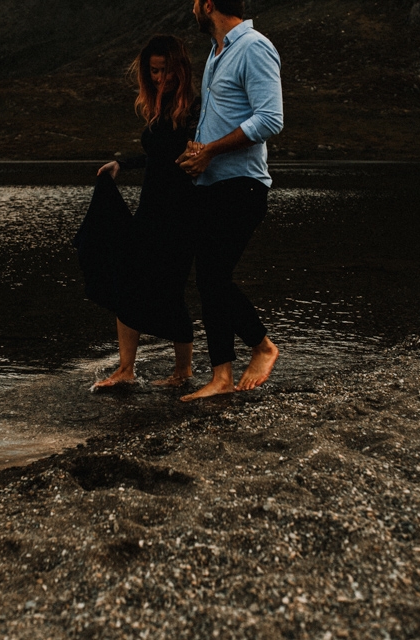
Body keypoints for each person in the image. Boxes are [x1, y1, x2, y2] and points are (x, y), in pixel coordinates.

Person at [176, 0, 283, 402]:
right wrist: (196, 151)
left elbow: (270, 118)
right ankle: (221, 376)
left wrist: (211, 151)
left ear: (207, 5)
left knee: (214, 276)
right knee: (207, 279)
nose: (192, 10)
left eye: (195, 4)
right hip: (212, 185)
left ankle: (263, 347)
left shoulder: (253, 46)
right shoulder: (217, 52)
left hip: (243, 186)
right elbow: (220, 116)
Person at [91, 35, 200, 388]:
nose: (159, 78)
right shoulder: (159, 106)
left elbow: (192, 158)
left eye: (165, 70)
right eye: (153, 71)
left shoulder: (195, 108)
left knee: (170, 288)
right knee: (127, 279)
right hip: (150, 211)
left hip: (181, 213)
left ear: (179, 68)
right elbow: (157, 157)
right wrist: (121, 164)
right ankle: (126, 370)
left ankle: (183, 371)